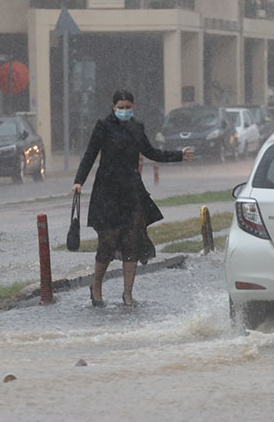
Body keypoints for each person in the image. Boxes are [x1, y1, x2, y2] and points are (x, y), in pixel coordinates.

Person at [71, 89, 194, 306]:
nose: (125, 111)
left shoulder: (137, 128)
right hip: (107, 192)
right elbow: (90, 154)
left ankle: (127, 294)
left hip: (132, 192)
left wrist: (178, 155)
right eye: (121, 107)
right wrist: (79, 180)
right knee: (107, 242)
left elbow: (151, 152)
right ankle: (96, 286)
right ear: (113, 107)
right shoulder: (103, 126)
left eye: (128, 107)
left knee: (132, 242)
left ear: (133, 107)